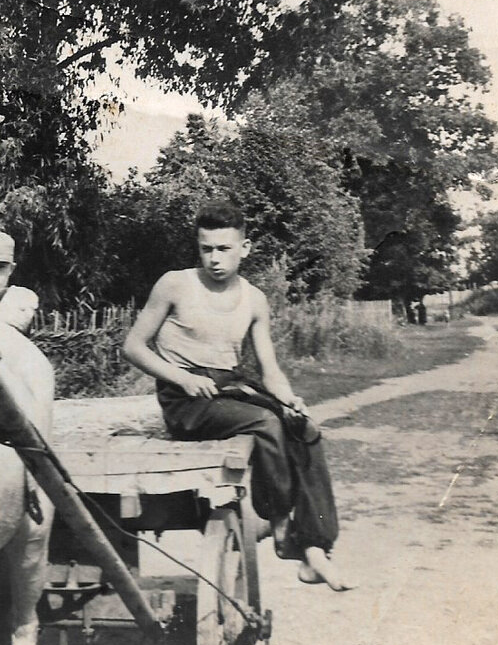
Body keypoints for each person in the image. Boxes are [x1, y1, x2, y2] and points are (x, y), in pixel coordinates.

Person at [122, 200, 353, 591]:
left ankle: (315, 549)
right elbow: (133, 347)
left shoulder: (254, 299)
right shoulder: (175, 284)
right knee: (264, 423)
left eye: (224, 249)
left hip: (230, 388)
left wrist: (290, 399)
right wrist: (181, 378)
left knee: (303, 427)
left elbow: (270, 370)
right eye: (206, 248)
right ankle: (281, 529)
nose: (214, 258)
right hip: (187, 400)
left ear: (244, 248)